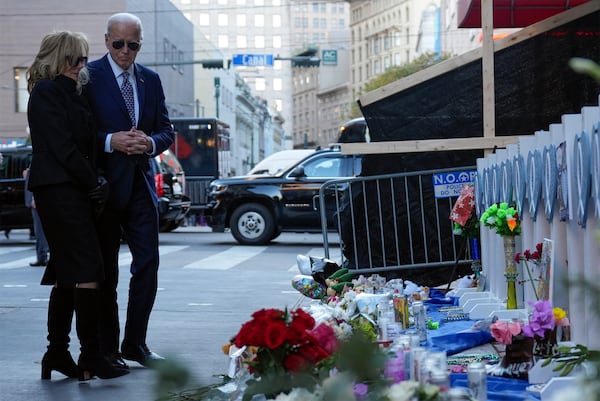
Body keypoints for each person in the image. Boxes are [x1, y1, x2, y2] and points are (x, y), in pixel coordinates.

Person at [26, 30, 129, 381]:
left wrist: (96, 179)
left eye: (84, 59)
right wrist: (94, 181)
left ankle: (56, 353)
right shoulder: (45, 92)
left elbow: (87, 144)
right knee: (86, 272)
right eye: (73, 59)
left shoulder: (76, 92)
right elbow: (62, 147)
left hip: (77, 190)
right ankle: (90, 356)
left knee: (68, 274)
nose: (80, 65)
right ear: (57, 57)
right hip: (58, 190)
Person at [85, 13, 174, 368]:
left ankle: (135, 343)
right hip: (104, 189)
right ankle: (107, 348)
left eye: (132, 44)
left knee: (148, 265)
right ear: (106, 41)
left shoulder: (150, 80)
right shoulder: (88, 77)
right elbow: (76, 132)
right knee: (106, 272)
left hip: (140, 185)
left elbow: (167, 130)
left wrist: (150, 143)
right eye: (118, 43)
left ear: (140, 44)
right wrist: (110, 141)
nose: (125, 51)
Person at [24, 167, 50, 266]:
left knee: (40, 230)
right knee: (40, 230)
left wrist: (35, 197)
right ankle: (42, 256)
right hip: (39, 197)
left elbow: (39, 175)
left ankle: (42, 256)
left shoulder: (41, 154)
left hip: (39, 198)